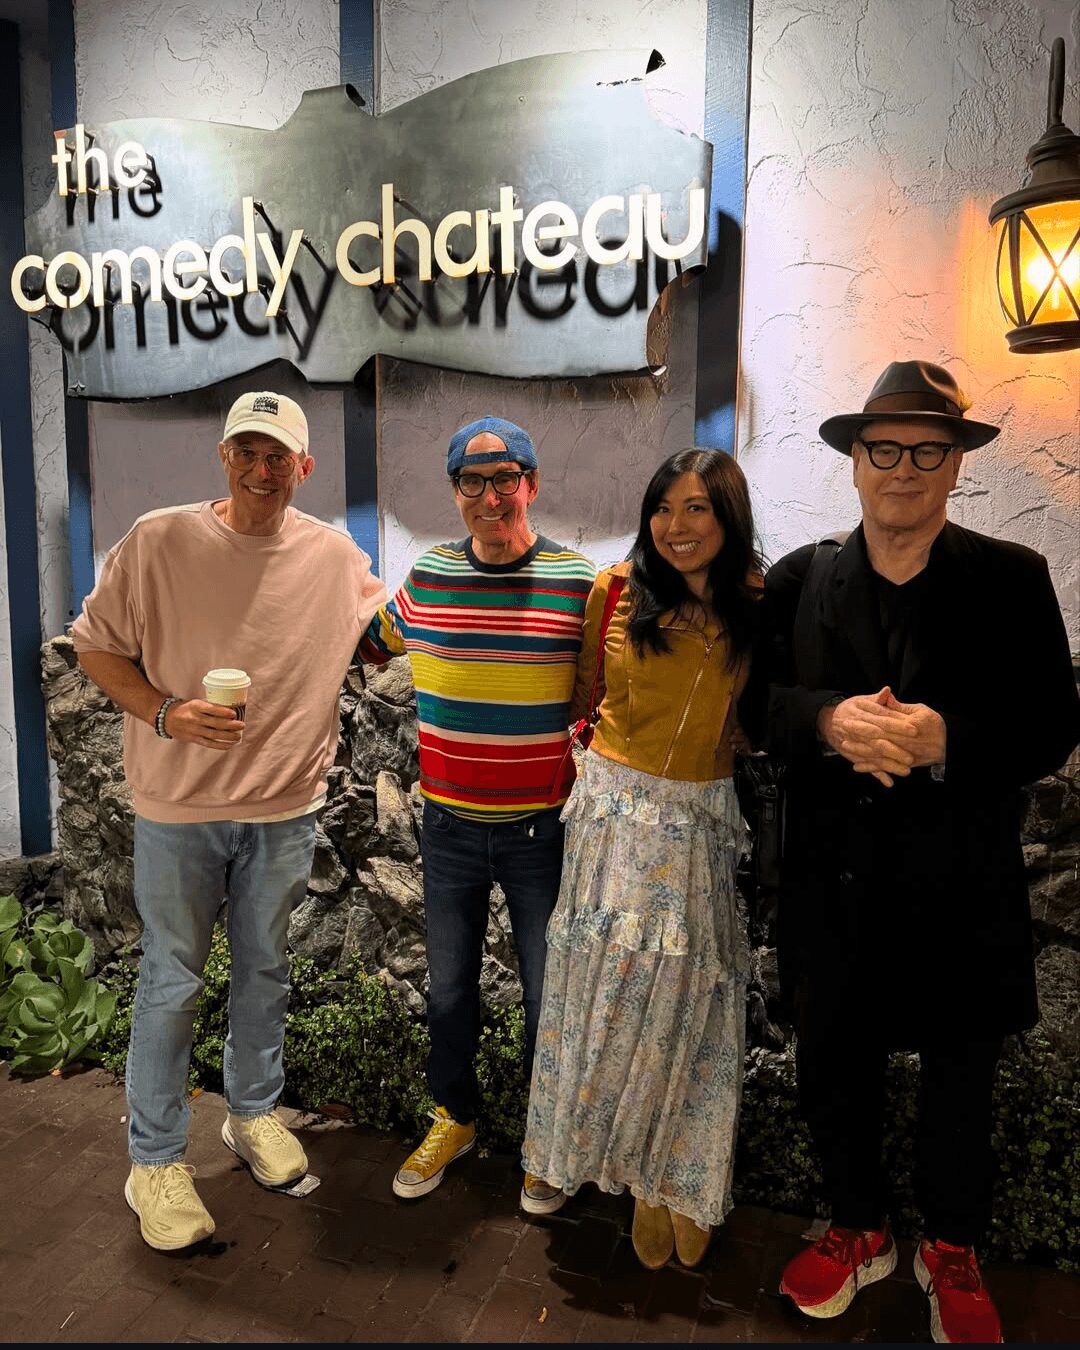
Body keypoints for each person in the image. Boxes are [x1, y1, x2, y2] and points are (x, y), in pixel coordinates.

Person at [759, 361, 1080, 1344]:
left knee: (959, 1085)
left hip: (960, 889)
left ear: (956, 466)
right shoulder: (802, 578)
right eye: (885, 449)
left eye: (927, 450)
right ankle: (858, 1226)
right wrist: (827, 720)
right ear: (855, 462)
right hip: (833, 885)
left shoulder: (1013, 580)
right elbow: (752, 707)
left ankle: (951, 1245)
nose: (904, 468)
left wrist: (947, 741)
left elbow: (1053, 726)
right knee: (833, 1071)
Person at [72, 390, 387, 1251]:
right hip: (179, 809)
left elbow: (392, 626)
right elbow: (95, 645)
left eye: (277, 457)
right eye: (246, 452)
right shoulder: (159, 540)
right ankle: (155, 1160)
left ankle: (251, 1114)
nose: (261, 471)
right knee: (171, 981)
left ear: (303, 467)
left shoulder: (331, 556)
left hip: (285, 805)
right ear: (222, 457)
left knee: (264, 971)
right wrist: (167, 713)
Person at [522, 448, 763, 1270]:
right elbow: (583, 695)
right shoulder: (615, 591)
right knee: (611, 994)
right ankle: (611, 1168)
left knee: (690, 1000)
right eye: (664, 507)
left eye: (697, 508)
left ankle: (674, 1175)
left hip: (699, 819)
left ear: (728, 516)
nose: (677, 526)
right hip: (615, 816)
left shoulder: (760, 603)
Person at [357, 416, 594, 1208]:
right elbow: (365, 643)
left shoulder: (579, 583)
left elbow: (609, 684)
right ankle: (455, 1117)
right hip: (450, 828)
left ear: (531, 484)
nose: (490, 497)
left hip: (541, 831)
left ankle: (547, 1141)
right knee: (451, 991)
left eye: (505, 479)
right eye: (472, 481)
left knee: (547, 996)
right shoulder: (425, 578)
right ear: (456, 491)